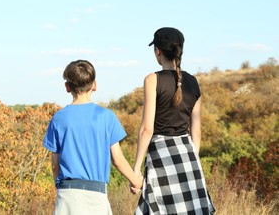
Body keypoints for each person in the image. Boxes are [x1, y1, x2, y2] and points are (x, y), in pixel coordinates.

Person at [43, 59, 143, 215]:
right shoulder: (106, 117)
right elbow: (118, 160)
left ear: (67, 87)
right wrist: (136, 181)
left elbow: (55, 165)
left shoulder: (58, 118)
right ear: (94, 85)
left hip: (67, 194)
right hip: (96, 195)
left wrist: (60, 187)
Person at [132, 27, 215, 214]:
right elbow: (197, 131)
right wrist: (194, 159)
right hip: (188, 153)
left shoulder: (152, 80)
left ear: (158, 51)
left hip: (161, 154)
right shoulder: (193, 82)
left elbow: (146, 129)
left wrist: (136, 169)